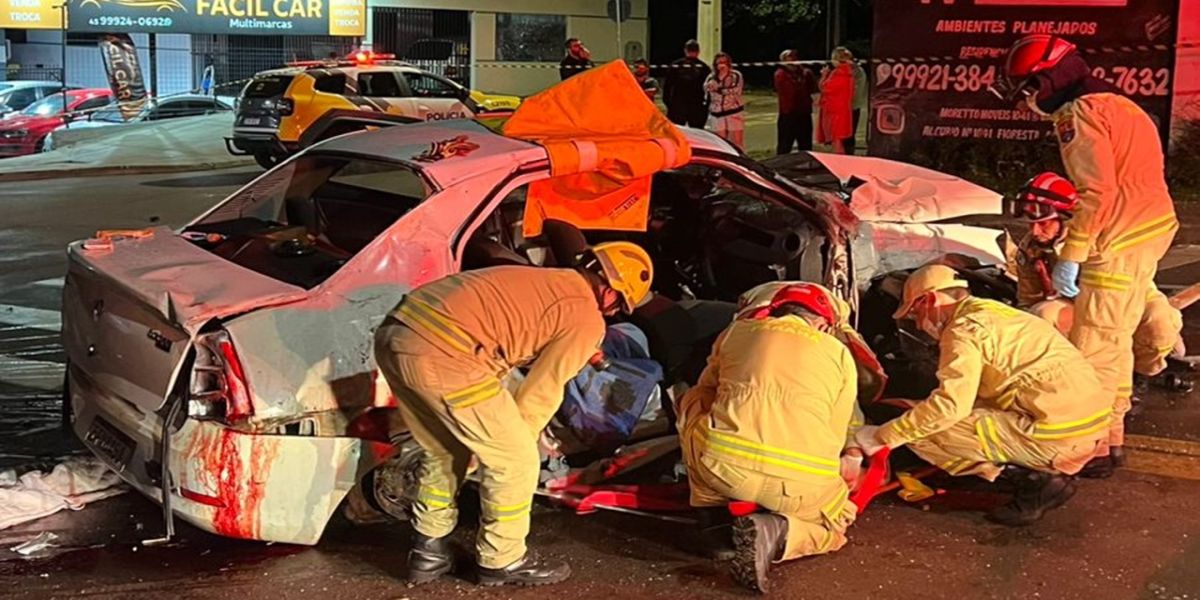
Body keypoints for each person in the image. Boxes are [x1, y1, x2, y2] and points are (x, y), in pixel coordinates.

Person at [374, 242, 654, 587]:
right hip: (447, 355)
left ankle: (428, 554)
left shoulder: (547, 281)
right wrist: (516, 444)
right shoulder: (586, 317)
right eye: (618, 307)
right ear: (610, 292)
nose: (613, 315)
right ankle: (502, 559)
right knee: (516, 459)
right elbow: (543, 389)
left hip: (397, 333)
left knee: (446, 450)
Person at [1001, 34, 1178, 477]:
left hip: (1115, 241)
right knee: (1114, 343)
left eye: (1028, 91)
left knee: (1093, 349)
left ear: (1046, 80)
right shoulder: (1124, 106)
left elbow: (1096, 191)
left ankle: (1086, 448)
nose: (1028, 103)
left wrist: (1073, 253)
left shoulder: (1078, 113)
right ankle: (1110, 442)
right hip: (1149, 232)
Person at [855, 265, 1111, 526]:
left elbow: (950, 408)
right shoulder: (996, 312)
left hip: (1056, 439)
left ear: (929, 300)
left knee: (922, 431)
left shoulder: (962, 332)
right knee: (931, 416)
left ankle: (1032, 480)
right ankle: (1032, 467)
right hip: (1091, 428)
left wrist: (882, 436)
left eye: (916, 314)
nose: (920, 324)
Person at [677, 283, 861, 593]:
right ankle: (781, 532)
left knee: (693, 401)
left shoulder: (737, 332)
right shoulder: (840, 354)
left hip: (723, 471)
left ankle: (714, 523)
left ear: (775, 309)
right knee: (835, 526)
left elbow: (707, 389)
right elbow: (836, 429)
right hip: (799, 488)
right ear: (823, 323)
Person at [1010, 172, 1184, 389]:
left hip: (1130, 291)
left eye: (1044, 224)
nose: (1035, 231)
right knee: (1043, 315)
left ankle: (1141, 373)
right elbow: (1028, 300)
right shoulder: (1031, 249)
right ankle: (1068, 378)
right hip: (1077, 303)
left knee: (1160, 326)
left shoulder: (1109, 232)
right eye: (1030, 224)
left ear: (1068, 218)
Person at [774, 50, 817, 155]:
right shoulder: (780, 74)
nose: (793, 60)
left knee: (806, 145)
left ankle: (806, 166)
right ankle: (781, 166)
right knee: (785, 144)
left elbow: (814, 90)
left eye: (795, 58)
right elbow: (789, 91)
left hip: (804, 113)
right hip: (788, 114)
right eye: (789, 58)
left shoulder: (806, 73)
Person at [663, 39, 710, 128]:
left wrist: (669, 104)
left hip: (677, 106)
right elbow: (708, 90)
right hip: (697, 106)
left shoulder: (675, 65)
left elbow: (667, 87)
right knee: (697, 135)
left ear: (685, 50)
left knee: (677, 135)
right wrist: (705, 106)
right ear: (698, 51)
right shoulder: (704, 67)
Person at [817, 47, 855, 154]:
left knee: (836, 140)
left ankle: (839, 163)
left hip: (835, 111)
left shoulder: (839, 73)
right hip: (843, 109)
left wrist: (824, 75)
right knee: (838, 140)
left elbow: (824, 87)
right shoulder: (849, 72)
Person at [704, 52, 745, 148]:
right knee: (719, 143)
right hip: (717, 115)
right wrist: (715, 82)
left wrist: (720, 88)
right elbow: (706, 88)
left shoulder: (736, 75)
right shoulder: (711, 77)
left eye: (724, 62)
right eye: (719, 63)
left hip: (733, 113)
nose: (721, 65)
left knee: (736, 143)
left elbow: (736, 91)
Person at [850, 51, 869, 153]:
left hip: (851, 107)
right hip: (846, 108)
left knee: (849, 136)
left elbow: (855, 90)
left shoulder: (858, 72)